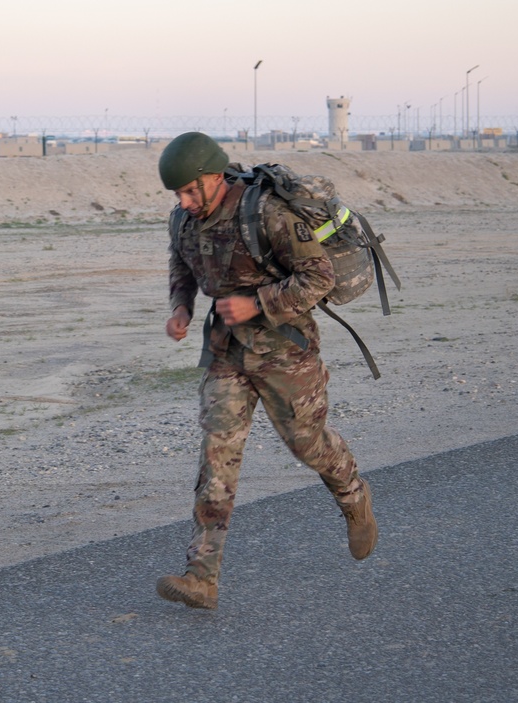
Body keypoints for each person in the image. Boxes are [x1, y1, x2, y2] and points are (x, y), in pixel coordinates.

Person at [155, 132, 377, 610]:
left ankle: (354, 495)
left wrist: (257, 303)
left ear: (215, 177)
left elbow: (320, 276)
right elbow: (182, 262)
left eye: (192, 191)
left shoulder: (266, 215)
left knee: (308, 445)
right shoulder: (184, 220)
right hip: (226, 351)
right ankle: (202, 575)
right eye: (178, 194)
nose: (184, 201)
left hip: (285, 350)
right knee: (216, 456)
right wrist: (181, 307)